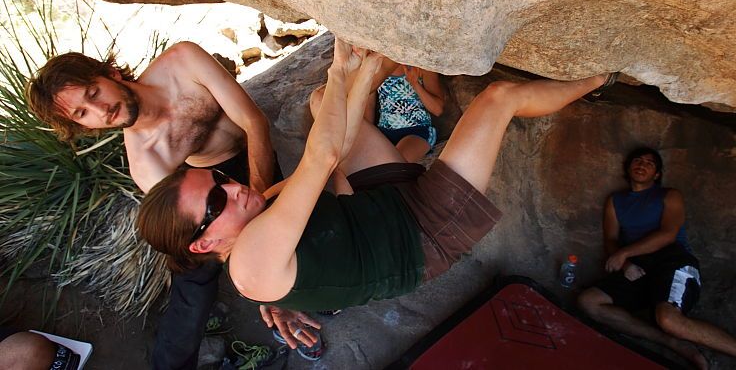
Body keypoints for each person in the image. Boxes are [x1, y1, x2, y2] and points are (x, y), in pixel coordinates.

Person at [137, 38, 612, 334]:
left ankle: (385, 66)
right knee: (497, 99)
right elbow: (321, 157)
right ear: (204, 242)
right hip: (422, 236)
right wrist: (343, 72)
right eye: (218, 199)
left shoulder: (256, 217)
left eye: (221, 177)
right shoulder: (252, 259)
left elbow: (334, 151)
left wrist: (360, 74)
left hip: (378, 205)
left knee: (329, 104)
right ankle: (601, 75)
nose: (235, 186)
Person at [25, 43, 283, 370]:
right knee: (192, 275)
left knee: (289, 217)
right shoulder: (146, 163)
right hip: (211, 188)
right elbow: (208, 232)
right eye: (82, 114)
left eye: (93, 92)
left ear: (111, 74)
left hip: (253, 154)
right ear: (82, 127)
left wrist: (259, 203)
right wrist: (253, 268)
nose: (100, 110)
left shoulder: (182, 62)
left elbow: (254, 122)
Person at [577, 147, 736, 370]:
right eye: (637, 160)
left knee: (669, 319)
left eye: (649, 163)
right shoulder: (616, 200)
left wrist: (625, 253)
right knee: (588, 302)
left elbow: (668, 234)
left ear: (657, 174)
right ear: (628, 167)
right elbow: (610, 239)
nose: (642, 164)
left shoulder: (668, 195)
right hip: (638, 266)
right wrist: (626, 262)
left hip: (673, 261)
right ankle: (671, 342)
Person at [367, 64, 445, 163]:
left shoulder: (423, 65)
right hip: (383, 132)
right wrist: (368, 137)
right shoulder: (377, 65)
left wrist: (415, 84)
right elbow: (369, 106)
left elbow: (437, 110)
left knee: (394, 163)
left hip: (417, 132)